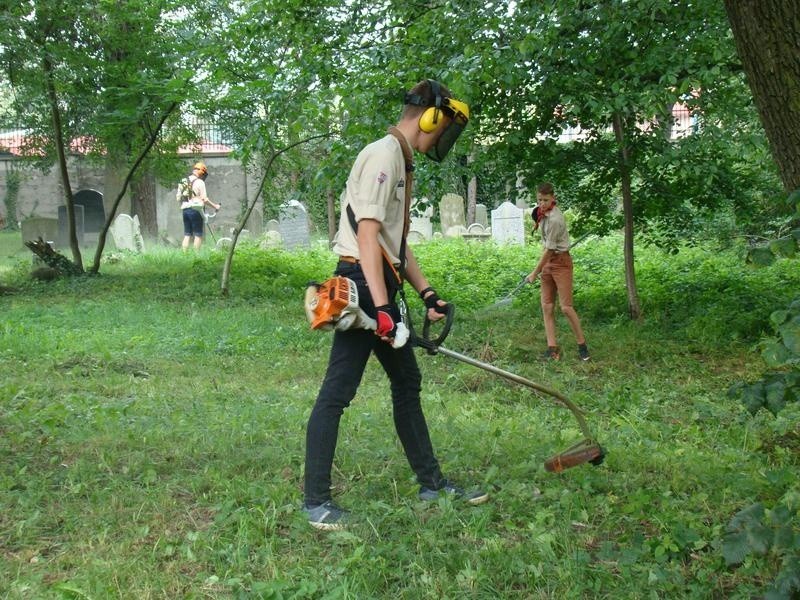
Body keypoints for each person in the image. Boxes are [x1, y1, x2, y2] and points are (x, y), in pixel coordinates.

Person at [303, 79, 488, 531]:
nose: (443, 136)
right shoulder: (383, 155)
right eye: (445, 126)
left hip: (380, 282)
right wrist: (383, 311)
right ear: (430, 118)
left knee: (407, 382)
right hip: (361, 285)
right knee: (337, 393)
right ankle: (315, 502)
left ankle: (431, 483)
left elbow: (394, 244)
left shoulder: (400, 162)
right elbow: (366, 235)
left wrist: (427, 293)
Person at [526, 182, 590, 362]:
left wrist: (534, 273)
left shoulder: (555, 219)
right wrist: (541, 268)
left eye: (545, 200)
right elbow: (545, 247)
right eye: (539, 200)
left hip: (561, 263)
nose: (542, 204)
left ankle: (582, 346)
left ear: (553, 198)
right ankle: (552, 349)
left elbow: (550, 250)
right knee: (546, 306)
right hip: (548, 263)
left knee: (566, 308)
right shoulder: (541, 214)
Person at [178, 162, 220, 251]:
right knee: (198, 234)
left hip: (185, 210)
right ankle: (196, 256)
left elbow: (178, 197)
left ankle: (184, 254)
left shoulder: (183, 181)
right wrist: (215, 206)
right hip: (196, 210)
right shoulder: (200, 182)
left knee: (187, 234)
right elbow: (204, 199)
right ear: (201, 172)